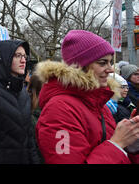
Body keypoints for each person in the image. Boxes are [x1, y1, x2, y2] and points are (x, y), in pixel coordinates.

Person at [35, 30, 139, 164]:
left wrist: (131, 143)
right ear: (81, 66)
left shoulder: (97, 103)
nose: (111, 69)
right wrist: (117, 144)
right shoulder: (59, 110)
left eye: (109, 62)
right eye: (102, 63)